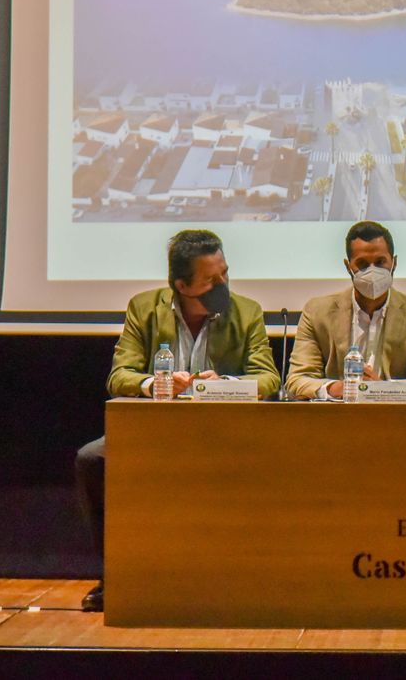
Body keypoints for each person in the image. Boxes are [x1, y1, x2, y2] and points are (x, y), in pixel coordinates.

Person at [73, 229, 279, 612]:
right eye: (211, 281)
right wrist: (156, 384)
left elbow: (269, 378)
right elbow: (119, 376)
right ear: (181, 286)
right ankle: (114, 575)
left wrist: (226, 384)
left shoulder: (246, 311)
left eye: (225, 273)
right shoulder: (144, 308)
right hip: (156, 431)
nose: (223, 286)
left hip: (225, 432)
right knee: (92, 458)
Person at [286, 221, 406, 401]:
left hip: (395, 415)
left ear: (394, 263)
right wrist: (335, 388)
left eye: (380, 262)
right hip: (336, 414)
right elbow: (297, 381)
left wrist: (383, 390)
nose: (372, 271)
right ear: (348, 267)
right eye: (362, 264)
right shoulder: (317, 313)